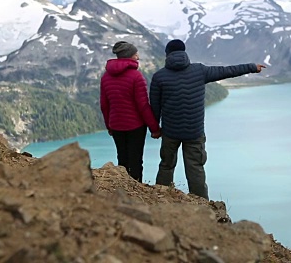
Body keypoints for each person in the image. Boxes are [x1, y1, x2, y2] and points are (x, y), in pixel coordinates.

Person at [150, 39, 266, 199]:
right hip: (194, 132)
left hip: (170, 131)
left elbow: (154, 106)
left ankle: (160, 198)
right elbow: (227, 71)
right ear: (184, 52)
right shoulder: (199, 70)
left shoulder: (159, 77)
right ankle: (201, 205)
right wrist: (252, 67)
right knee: (195, 168)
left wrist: (155, 129)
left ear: (167, 54)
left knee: (166, 165)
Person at [100, 41, 162, 182]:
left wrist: (109, 126)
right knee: (135, 161)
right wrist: (155, 129)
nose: (138, 57)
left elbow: (104, 105)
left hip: (116, 125)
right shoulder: (136, 76)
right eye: (136, 54)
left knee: (122, 159)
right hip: (135, 126)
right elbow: (143, 106)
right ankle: (135, 192)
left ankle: (123, 189)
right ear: (129, 56)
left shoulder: (106, 77)